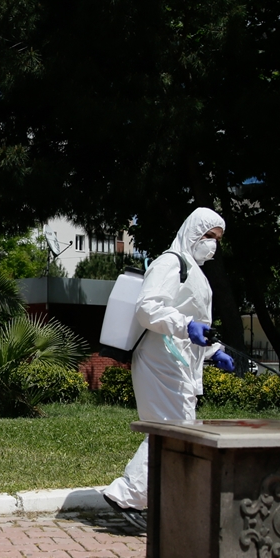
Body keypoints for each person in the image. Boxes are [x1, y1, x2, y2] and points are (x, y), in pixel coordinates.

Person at [102, 207, 234, 531]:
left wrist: (213, 350)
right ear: (192, 232)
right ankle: (126, 495)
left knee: (174, 431)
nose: (212, 244)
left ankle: (155, 501)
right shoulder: (171, 263)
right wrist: (186, 326)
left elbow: (192, 322)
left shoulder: (195, 272)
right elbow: (148, 307)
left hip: (175, 361)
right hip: (160, 360)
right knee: (170, 433)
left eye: (217, 239)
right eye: (208, 236)